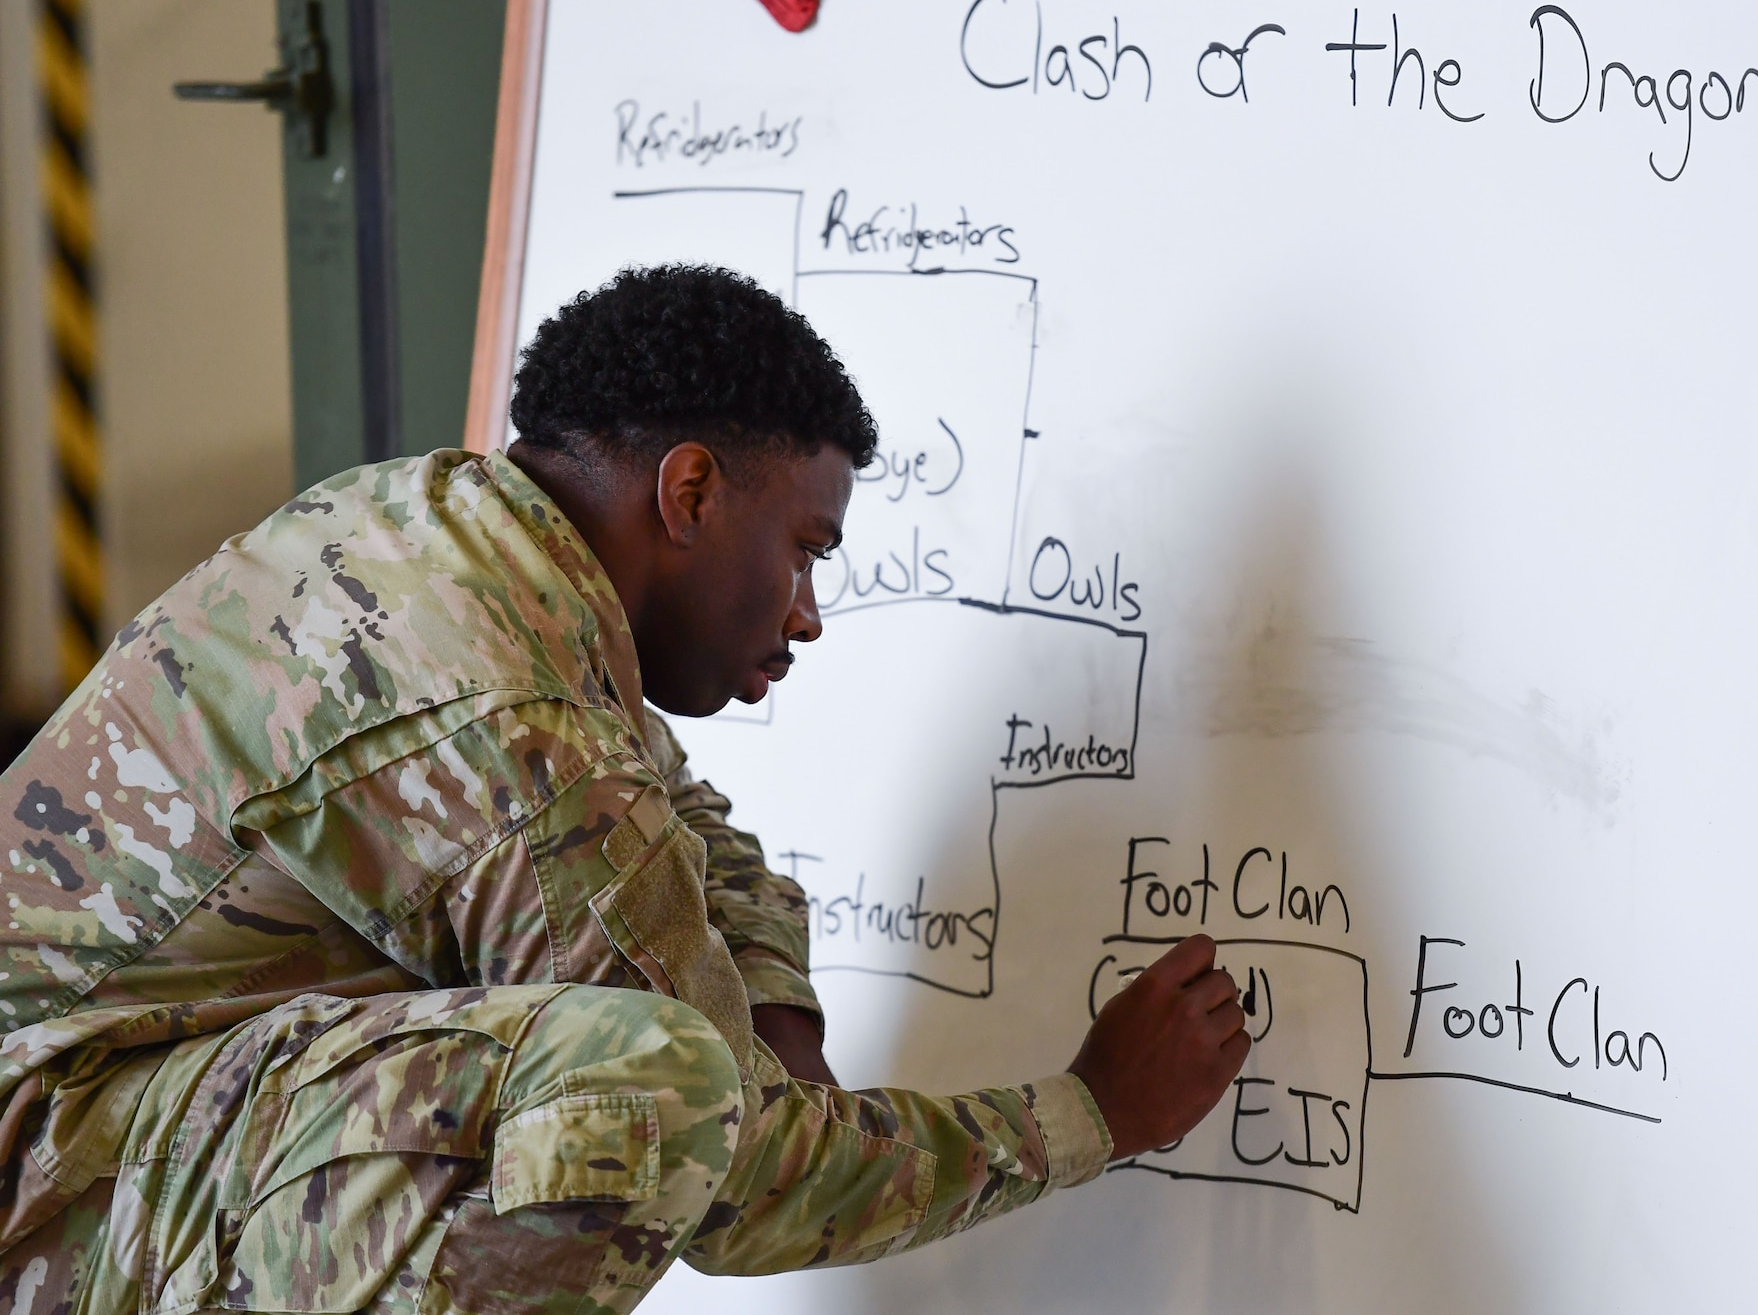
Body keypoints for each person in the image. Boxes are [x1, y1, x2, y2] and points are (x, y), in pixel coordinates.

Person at [0, 265, 1250, 1314]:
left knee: (678, 1055)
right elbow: (742, 1186)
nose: (808, 614)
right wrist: (1092, 1110)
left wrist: (778, 1040)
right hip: (42, 1202)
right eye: (806, 549)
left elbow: (686, 825)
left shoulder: (453, 532)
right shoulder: (505, 718)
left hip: (102, 1127)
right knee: (647, 1083)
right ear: (690, 491)